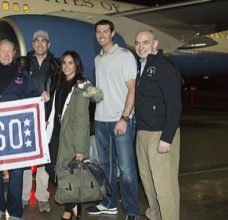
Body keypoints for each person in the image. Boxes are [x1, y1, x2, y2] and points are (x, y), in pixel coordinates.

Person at [86, 19, 140, 220]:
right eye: (98, 32)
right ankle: (108, 203)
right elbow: (103, 91)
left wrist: (125, 118)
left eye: (105, 31)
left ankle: (132, 211)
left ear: (113, 33)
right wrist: (90, 91)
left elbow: (132, 89)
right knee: (106, 167)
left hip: (120, 120)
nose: (101, 35)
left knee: (126, 169)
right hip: (101, 121)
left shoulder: (125, 56)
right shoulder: (98, 59)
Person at [0, 39, 42, 220]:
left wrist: (42, 97)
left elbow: (33, 95)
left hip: (16, 133)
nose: (6, 54)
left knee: (16, 174)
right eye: (3, 51)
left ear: (14, 53)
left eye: (9, 51)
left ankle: (15, 211)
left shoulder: (22, 74)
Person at [46, 50, 103, 220]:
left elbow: (82, 120)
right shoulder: (62, 83)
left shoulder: (80, 87)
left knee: (69, 174)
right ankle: (70, 210)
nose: (66, 66)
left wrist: (80, 149)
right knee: (54, 170)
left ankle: (72, 213)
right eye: (64, 62)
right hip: (57, 134)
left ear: (76, 65)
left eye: (70, 63)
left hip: (71, 139)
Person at [134, 30, 182, 220]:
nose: (140, 46)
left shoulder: (164, 67)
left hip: (160, 134)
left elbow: (175, 104)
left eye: (145, 42)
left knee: (165, 186)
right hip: (143, 133)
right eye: (137, 43)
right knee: (148, 182)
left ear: (155, 44)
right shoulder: (142, 66)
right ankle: (154, 215)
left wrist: (167, 137)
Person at [19, 30, 59, 213]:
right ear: (32, 44)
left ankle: (42, 197)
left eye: (44, 41)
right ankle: (24, 196)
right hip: (26, 118)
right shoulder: (22, 63)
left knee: (43, 159)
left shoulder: (56, 64)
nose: (40, 44)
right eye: (36, 41)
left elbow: (62, 87)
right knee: (26, 158)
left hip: (47, 118)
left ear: (48, 44)